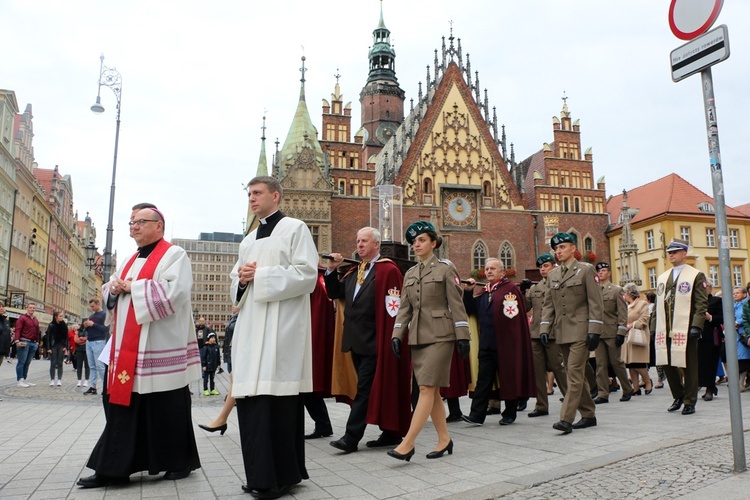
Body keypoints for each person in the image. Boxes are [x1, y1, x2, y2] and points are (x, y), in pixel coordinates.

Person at [77, 206, 202, 488]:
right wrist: (115, 288)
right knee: (123, 405)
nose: (133, 226)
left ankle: (177, 462)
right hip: (127, 348)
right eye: (131, 222)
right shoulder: (130, 259)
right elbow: (111, 290)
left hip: (160, 345)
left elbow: (175, 292)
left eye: (140, 222)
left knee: (166, 406)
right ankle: (115, 467)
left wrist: (133, 287)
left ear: (159, 226)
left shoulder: (174, 255)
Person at [230, 176, 318, 499]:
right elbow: (236, 290)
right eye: (249, 193)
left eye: (257, 193)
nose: (252, 198)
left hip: (282, 330)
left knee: (277, 405)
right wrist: (241, 280)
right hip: (252, 330)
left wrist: (261, 276)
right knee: (252, 404)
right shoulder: (248, 240)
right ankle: (261, 474)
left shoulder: (295, 229)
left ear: (275, 196)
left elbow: (307, 274)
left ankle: (278, 478)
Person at [325, 227, 412, 455]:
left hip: (376, 341)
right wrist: (331, 271)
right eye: (358, 241)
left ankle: (351, 438)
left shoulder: (387, 270)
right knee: (370, 389)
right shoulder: (355, 272)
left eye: (364, 241)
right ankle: (391, 432)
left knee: (364, 390)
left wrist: (391, 337)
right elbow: (336, 293)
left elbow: (394, 308)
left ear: (376, 245)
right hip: (355, 341)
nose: (360, 244)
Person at [386, 221, 469, 461]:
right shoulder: (410, 274)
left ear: (434, 243)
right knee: (430, 392)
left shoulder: (446, 269)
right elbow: (404, 309)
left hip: (441, 336)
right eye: (414, 241)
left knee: (425, 388)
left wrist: (463, 335)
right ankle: (444, 439)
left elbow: (457, 305)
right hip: (418, 338)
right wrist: (396, 334)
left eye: (421, 240)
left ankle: (408, 443)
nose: (417, 244)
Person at [540, 233, 603, 434]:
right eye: (556, 249)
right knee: (576, 374)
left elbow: (596, 303)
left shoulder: (586, 270)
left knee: (573, 374)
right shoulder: (553, 275)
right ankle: (588, 414)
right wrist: (544, 328)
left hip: (581, 331)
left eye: (563, 247)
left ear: (573, 249)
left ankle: (566, 419)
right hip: (562, 332)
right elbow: (548, 305)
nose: (559, 252)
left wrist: (594, 331)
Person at [462, 257, 535, 428]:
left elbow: (516, 318)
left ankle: (509, 413)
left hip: (506, 345)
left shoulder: (509, 290)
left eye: (492, 269)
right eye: (486, 269)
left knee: (508, 378)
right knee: (483, 381)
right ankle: (476, 415)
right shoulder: (484, 292)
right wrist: (467, 292)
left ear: (502, 272)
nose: (488, 271)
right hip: (487, 344)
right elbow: (471, 310)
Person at [655, 238, 708, 416]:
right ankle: (678, 395)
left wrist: (696, 325)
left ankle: (690, 400)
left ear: (684, 253)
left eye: (675, 251)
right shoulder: (663, 277)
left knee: (689, 365)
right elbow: (658, 304)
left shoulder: (695, 275)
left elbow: (701, 303)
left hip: (685, 327)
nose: (671, 254)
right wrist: (655, 326)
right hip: (666, 327)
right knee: (668, 363)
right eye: (670, 252)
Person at [525, 254, 568, 418]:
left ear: (554, 267)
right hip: (536, 332)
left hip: (553, 332)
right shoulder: (535, 288)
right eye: (541, 267)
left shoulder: (560, 285)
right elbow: (526, 306)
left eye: (546, 266)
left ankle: (570, 399)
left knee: (558, 368)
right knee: (538, 370)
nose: (543, 269)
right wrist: (523, 291)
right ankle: (541, 405)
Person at [593, 262, 634, 404]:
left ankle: (627, 388)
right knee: (600, 364)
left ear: (609, 273)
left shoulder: (616, 290)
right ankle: (603, 393)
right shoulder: (594, 290)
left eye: (604, 270)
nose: (601, 273)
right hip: (598, 332)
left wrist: (621, 332)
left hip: (612, 331)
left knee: (617, 363)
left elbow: (623, 313)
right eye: (599, 271)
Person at [621, 283, 652, 394]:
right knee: (630, 364)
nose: (623, 295)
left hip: (638, 336)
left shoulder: (642, 304)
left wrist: (631, 325)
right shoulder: (625, 305)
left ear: (630, 293)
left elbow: (644, 319)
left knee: (638, 363)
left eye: (624, 293)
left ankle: (647, 382)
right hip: (627, 337)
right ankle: (636, 387)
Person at [698, 283, 723, 401]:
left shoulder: (716, 301)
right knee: (700, 363)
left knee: (710, 363)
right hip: (697, 336)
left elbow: (723, 318)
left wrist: (710, 318)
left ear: (710, 288)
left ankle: (710, 388)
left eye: (705, 286)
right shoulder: (696, 302)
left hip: (712, 336)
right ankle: (707, 386)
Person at [83, 299, 110, 396]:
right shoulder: (92, 315)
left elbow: (106, 329)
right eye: (90, 307)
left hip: (98, 341)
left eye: (93, 306)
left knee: (100, 366)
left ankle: (105, 387)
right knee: (92, 366)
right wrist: (86, 325)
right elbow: (90, 328)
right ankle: (93, 387)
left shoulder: (104, 315)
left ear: (98, 304)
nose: (92, 308)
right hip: (89, 341)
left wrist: (93, 324)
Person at [14, 302, 41, 387]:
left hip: (33, 343)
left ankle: (24, 379)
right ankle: (20, 380)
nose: (32, 309)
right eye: (30, 307)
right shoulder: (22, 318)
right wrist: (17, 340)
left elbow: (37, 332)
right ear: (27, 308)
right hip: (24, 341)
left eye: (33, 308)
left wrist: (37, 342)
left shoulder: (35, 320)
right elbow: (18, 329)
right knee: (21, 361)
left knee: (27, 362)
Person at [729, 287, 750, 392]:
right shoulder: (733, 305)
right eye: (733, 293)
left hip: (744, 334)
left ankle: (741, 383)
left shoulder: (746, 304)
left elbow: (746, 316)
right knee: (736, 359)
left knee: (743, 359)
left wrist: (738, 322)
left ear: (745, 294)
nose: (735, 295)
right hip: (735, 335)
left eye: (737, 293)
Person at [46, 310, 68, 387]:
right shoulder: (51, 325)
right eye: (60, 316)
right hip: (53, 345)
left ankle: (59, 380)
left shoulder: (64, 325)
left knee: (60, 363)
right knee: (53, 363)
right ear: (56, 317)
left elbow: (66, 337)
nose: (62, 318)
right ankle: (52, 380)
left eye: (62, 316)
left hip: (61, 345)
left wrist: (65, 346)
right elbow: (48, 337)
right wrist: (48, 348)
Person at [223, 306, 238, 374]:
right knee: (230, 370)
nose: (232, 307)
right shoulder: (232, 319)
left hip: (234, 349)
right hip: (229, 349)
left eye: (234, 306)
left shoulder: (239, 319)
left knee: (233, 371)